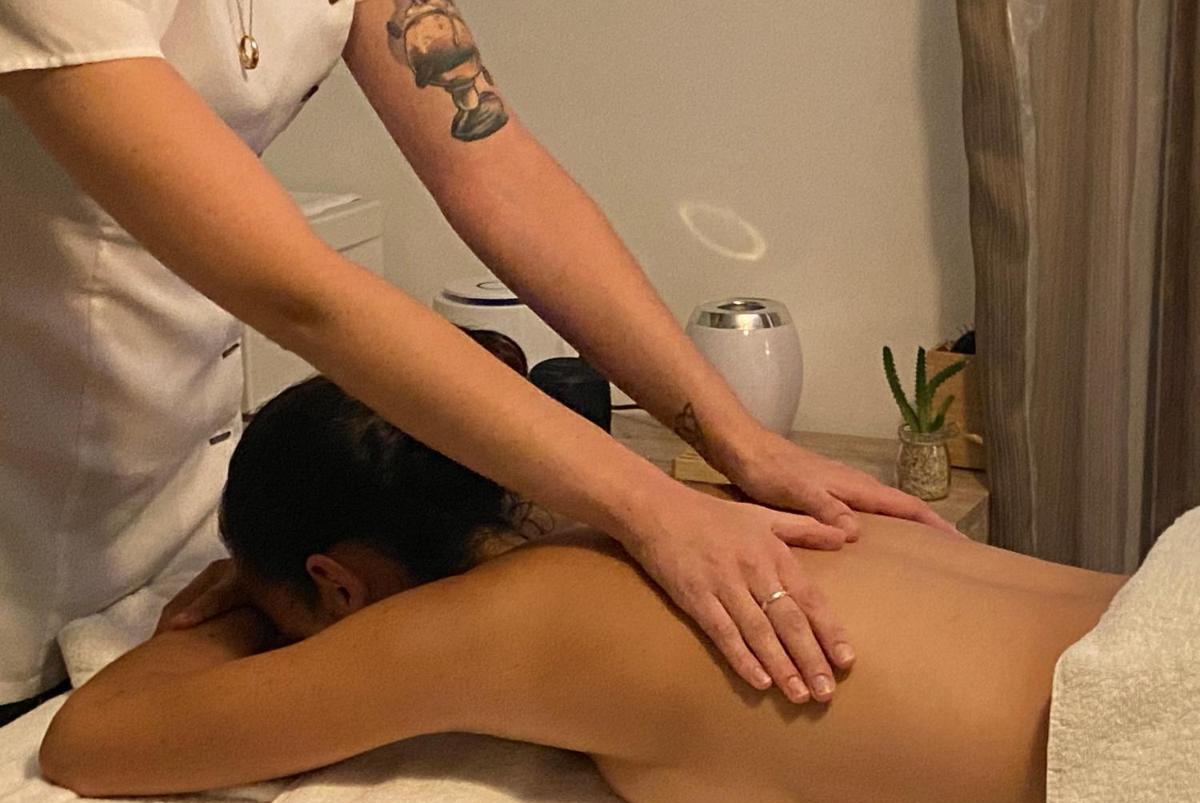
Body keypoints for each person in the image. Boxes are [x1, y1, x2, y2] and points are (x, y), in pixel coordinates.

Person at [0, 0, 955, 725]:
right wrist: (653, 506)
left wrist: (741, 443)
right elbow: (299, 291)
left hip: (162, 468)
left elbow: (494, 170)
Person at [39, 358, 1125, 803]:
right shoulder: (701, 513)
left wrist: (240, 606)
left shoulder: (498, 620)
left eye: (297, 611)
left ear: (340, 584)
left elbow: (93, 742)